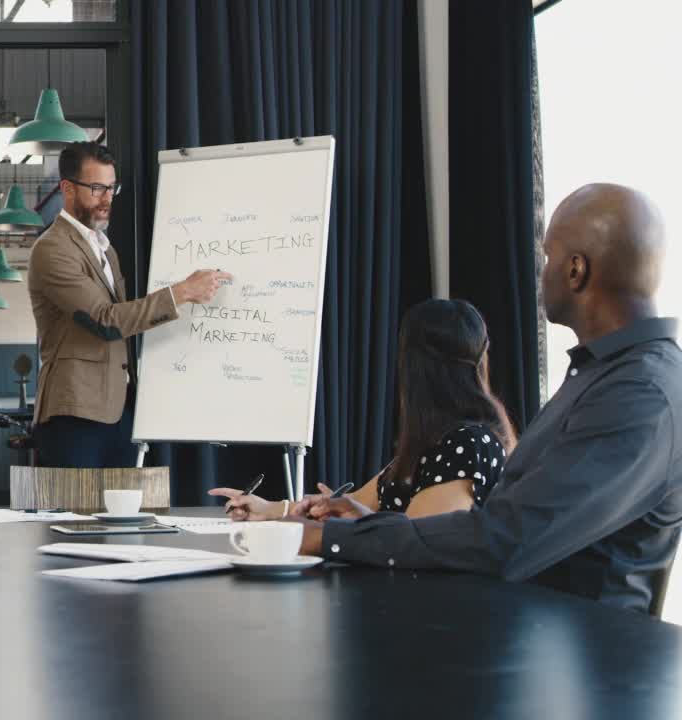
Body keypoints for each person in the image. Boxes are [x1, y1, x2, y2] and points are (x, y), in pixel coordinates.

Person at [288, 184, 682, 614]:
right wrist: (373, 527)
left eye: (548, 256)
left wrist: (330, 538)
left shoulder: (640, 393)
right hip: (536, 638)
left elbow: (508, 538)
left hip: (578, 665)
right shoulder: (608, 375)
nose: (542, 270)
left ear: (575, 271)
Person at [212, 298, 516, 521]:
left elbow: (420, 542)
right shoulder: (434, 442)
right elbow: (355, 502)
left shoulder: (468, 444)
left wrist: (352, 523)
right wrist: (271, 509)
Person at [28, 141, 232, 468]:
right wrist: (182, 292)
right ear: (67, 188)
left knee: (118, 516)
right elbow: (105, 320)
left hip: (117, 409)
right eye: (96, 188)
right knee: (72, 515)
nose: (107, 199)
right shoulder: (53, 249)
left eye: (111, 188)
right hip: (74, 412)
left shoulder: (105, 249)